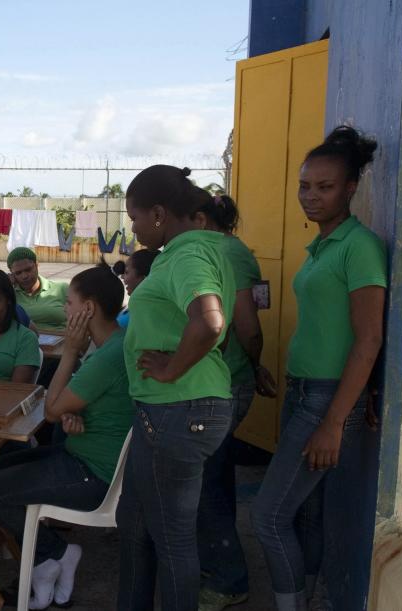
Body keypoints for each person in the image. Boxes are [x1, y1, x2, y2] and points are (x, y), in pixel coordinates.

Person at [251, 126, 386, 611]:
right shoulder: (324, 245)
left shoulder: (360, 246)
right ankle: (305, 598)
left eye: (324, 187)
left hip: (326, 401)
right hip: (304, 391)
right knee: (304, 514)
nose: (311, 196)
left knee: (267, 516)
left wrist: (333, 422)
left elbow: (369, 339)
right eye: (305, 186)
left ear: (351, 188)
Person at [0, 263, 135, 609]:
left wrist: (71, 351)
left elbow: (50, 411)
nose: (66, 309)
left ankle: (52, 555)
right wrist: (71, 410)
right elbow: (69, 405)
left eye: (71, 303)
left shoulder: (105, 355)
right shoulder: (114, 343)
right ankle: (47, 561)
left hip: (90, 474)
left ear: (88, 309)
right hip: (82, 455)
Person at [115, 165, 235, 611]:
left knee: (172, 538)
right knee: (135, 519)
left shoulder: (187, 254)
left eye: (135, 217)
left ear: (160, 213)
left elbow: (209, 320)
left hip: (179, 409)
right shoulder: (192, 250)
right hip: (166, 410)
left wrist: (169, 370)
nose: (134, 227)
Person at [194, 194, 278, 611]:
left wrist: (254, 362)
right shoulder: (239, 251)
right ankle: (215, 560)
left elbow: (248, 325)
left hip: (222, 383)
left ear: (200, 219)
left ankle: (230, 577)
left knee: (207, 480)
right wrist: (256, 364)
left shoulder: (218, 251)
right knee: (217, 469)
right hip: (231, 377)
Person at [7, 247, 68, 331]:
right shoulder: (9, 295)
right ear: (11, 273)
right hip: (24, 343)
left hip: (61, 341)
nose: (24, 276)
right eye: (18, 273)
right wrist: (6, 286)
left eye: (28, 270)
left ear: (37, 265)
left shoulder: (61, 289)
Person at [111, 249, 159, 328]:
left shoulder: (138, 316)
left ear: (144, 279)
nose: (122, 277)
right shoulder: (137, 309)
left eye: (127, 272)